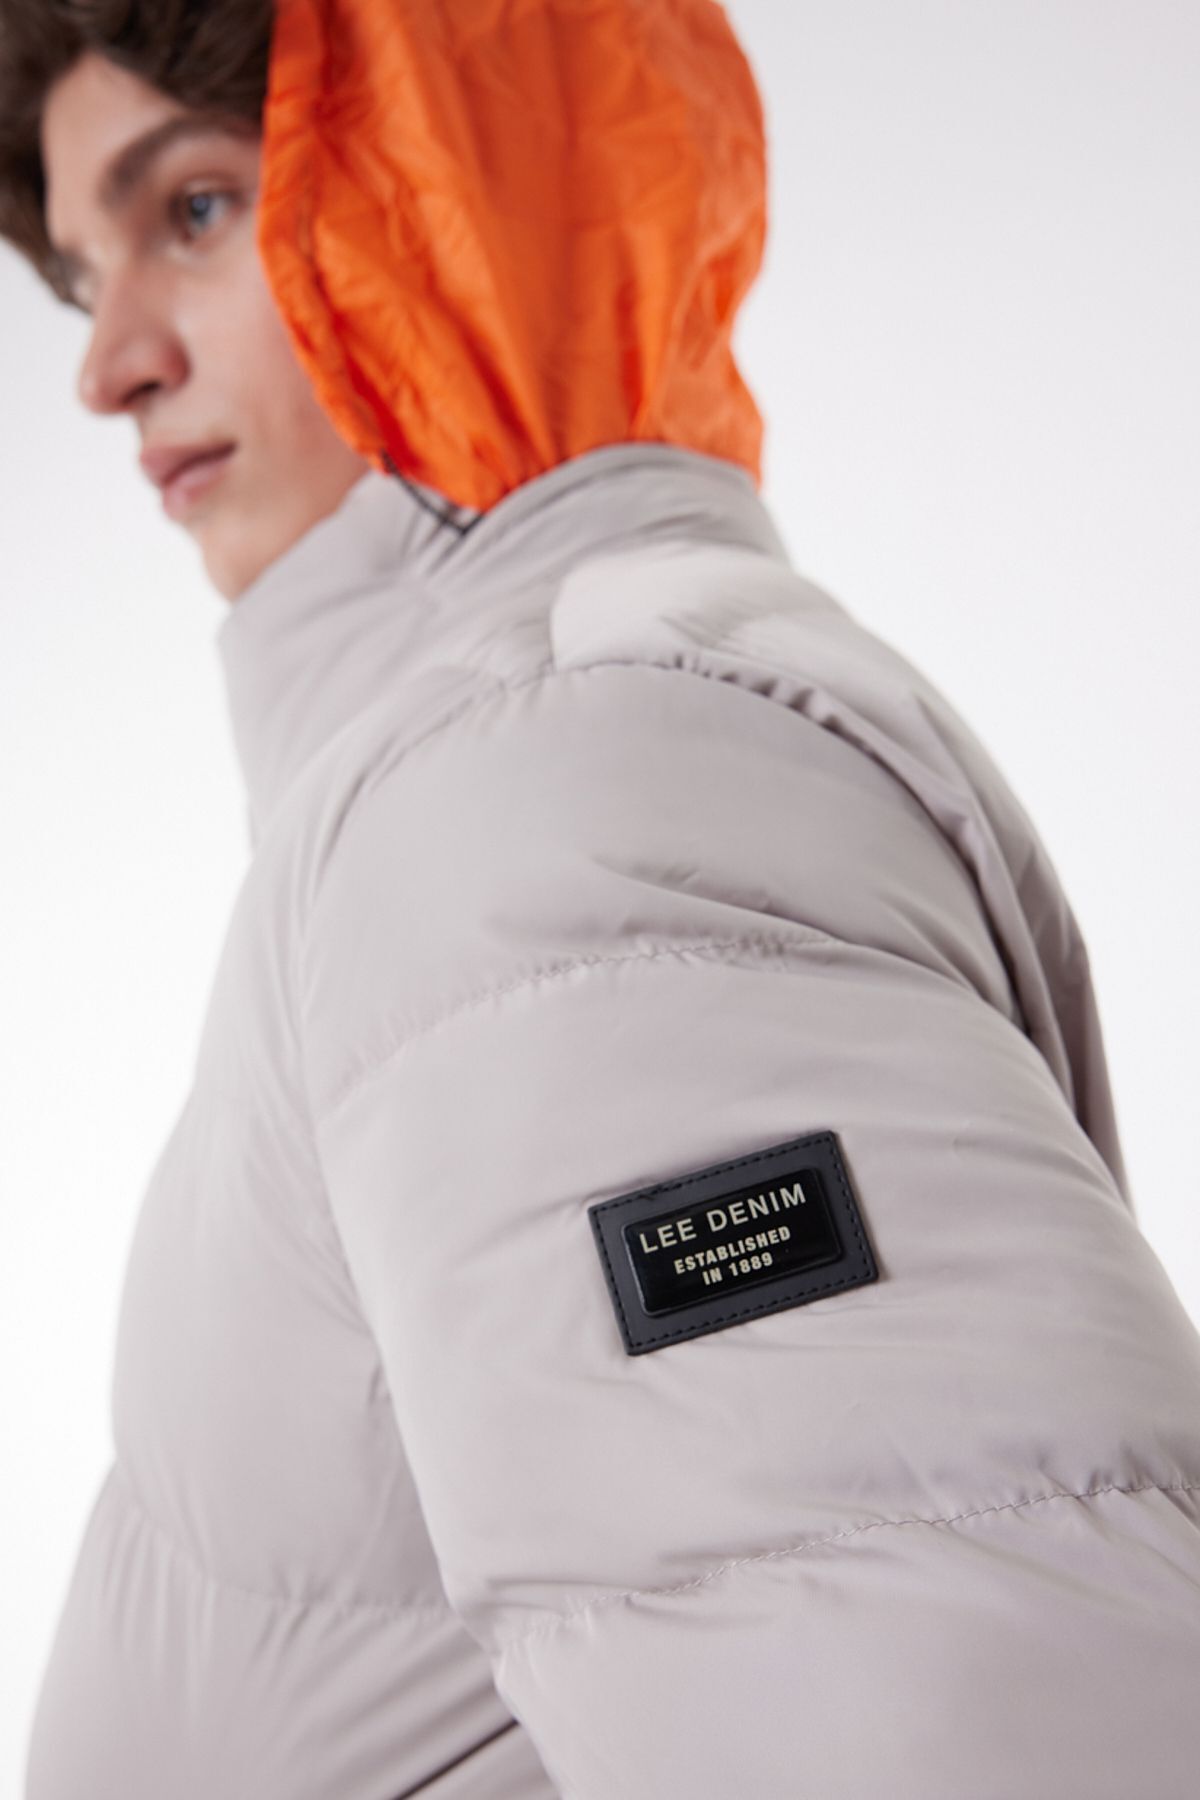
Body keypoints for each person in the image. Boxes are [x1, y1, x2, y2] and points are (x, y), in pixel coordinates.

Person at [5, 1, 1200, 1795]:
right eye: (83, 274)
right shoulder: (511, 759)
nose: (107, 366)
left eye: (193, 209)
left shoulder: (553, 782)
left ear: (462, 198)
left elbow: (954, 1728)